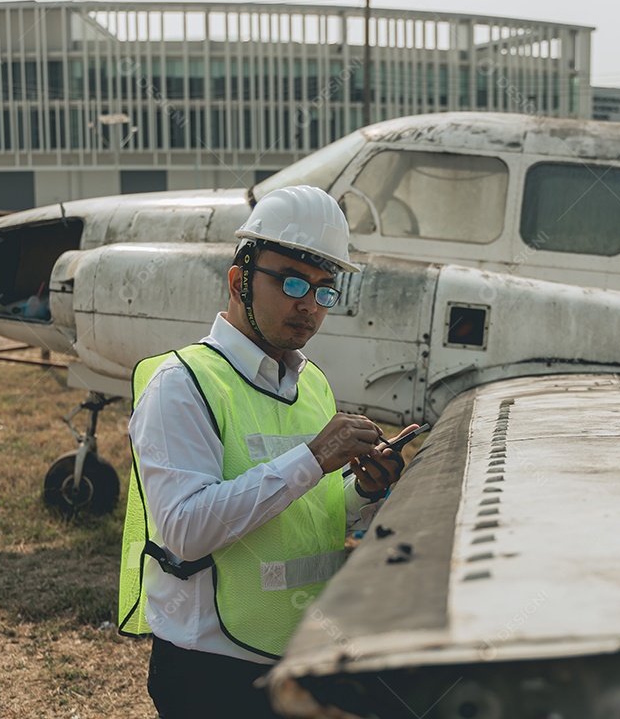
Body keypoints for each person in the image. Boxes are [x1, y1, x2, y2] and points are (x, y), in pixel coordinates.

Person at [117, 185, 417, 719]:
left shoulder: (313, 384)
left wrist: (364, 489)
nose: (309, 305)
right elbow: (186, 531)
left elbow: (310, 510)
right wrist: (313, 456)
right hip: (212, 670)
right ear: (239, 281)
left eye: (326, 289)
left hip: (300, 650)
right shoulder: (182, 384)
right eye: (292, 282)